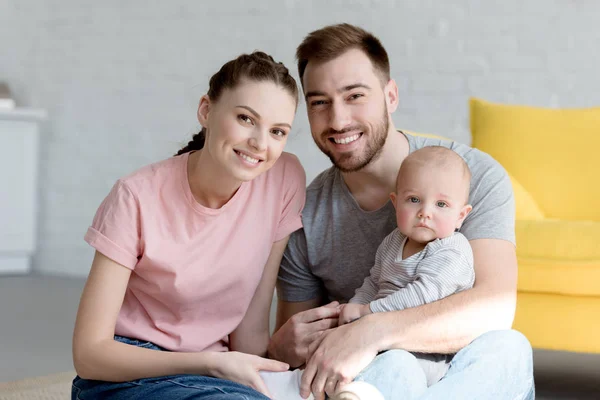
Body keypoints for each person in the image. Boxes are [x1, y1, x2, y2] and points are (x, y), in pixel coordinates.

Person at [268, 23, 535, 400]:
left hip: (468, 380)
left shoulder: (474, 176)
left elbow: (494, 310)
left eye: (355, 95)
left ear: (390, 96)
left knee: (508, 349)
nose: (339, 120)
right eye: (319, 102)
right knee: (391, 369)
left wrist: (372, 328)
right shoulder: (305, 217)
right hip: (384, 378)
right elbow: (301, 357)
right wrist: (282, 346)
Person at [71, 51, 306, 400]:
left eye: (277, 131)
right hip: (125, 373)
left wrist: (270, 372)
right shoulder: (135, 196)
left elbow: (250, 327)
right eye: (245, 118)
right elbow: (89, 355)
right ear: (206, 111)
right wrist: (206, 363)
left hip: (217, 374)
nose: (260, 143)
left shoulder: (284, 178)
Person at [336, 146, 475, 396]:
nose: (425, 212)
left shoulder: (452, 250)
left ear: (460, 216)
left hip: (425, 350)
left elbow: (423, 295)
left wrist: (368, 312)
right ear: (395, 201)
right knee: (341, 345)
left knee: (398, 365)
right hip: (378, 333)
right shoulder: (393, 242)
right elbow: (373, 282)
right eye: (414, 200)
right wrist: (355, 308)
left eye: (441, 204)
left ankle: (366, 389)